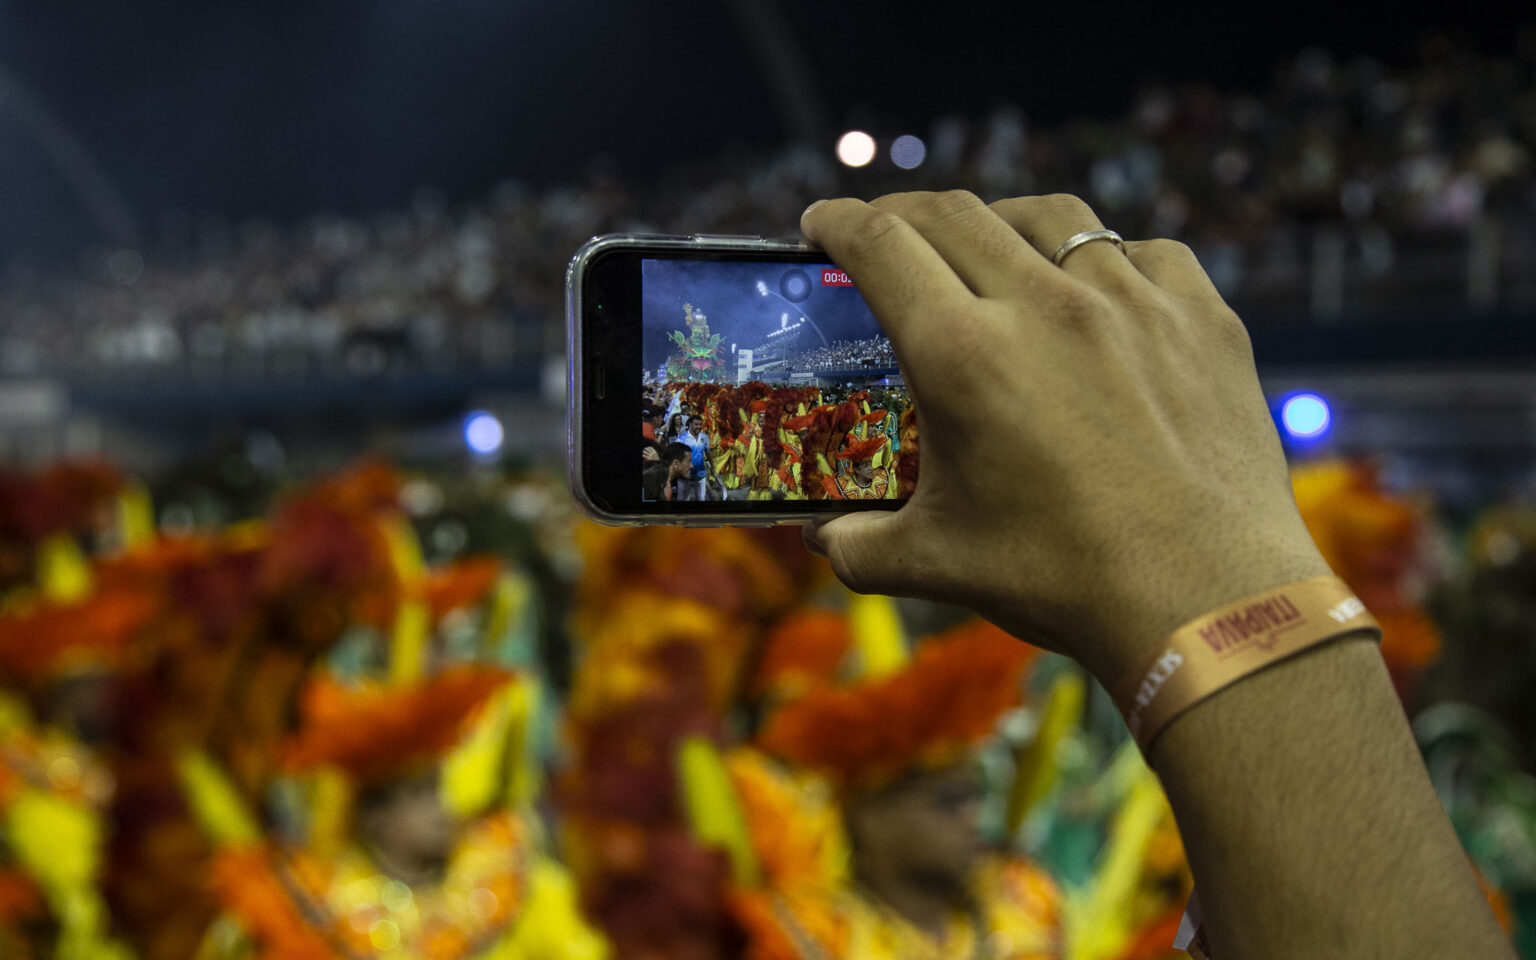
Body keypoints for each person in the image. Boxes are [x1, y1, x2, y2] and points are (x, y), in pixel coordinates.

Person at [796, 191, 1516, 958]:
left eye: (971, 792)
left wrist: (1214, 574)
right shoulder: (806, 930)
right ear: (860, 814)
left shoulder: (1028, 904)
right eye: (948, 797)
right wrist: (1223, 575)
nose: (975, 814)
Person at [678, 415, 714, 501]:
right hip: (685, 476)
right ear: (690, 424)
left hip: (701, 474)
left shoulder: (704, 437)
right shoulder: (681, 438)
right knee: (683, 500)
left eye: (700, 424)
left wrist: (713, 466)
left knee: (701, 499)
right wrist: (681, 472)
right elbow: (677, 457)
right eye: (696, 424)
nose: (699, 427)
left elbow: (707, 452)